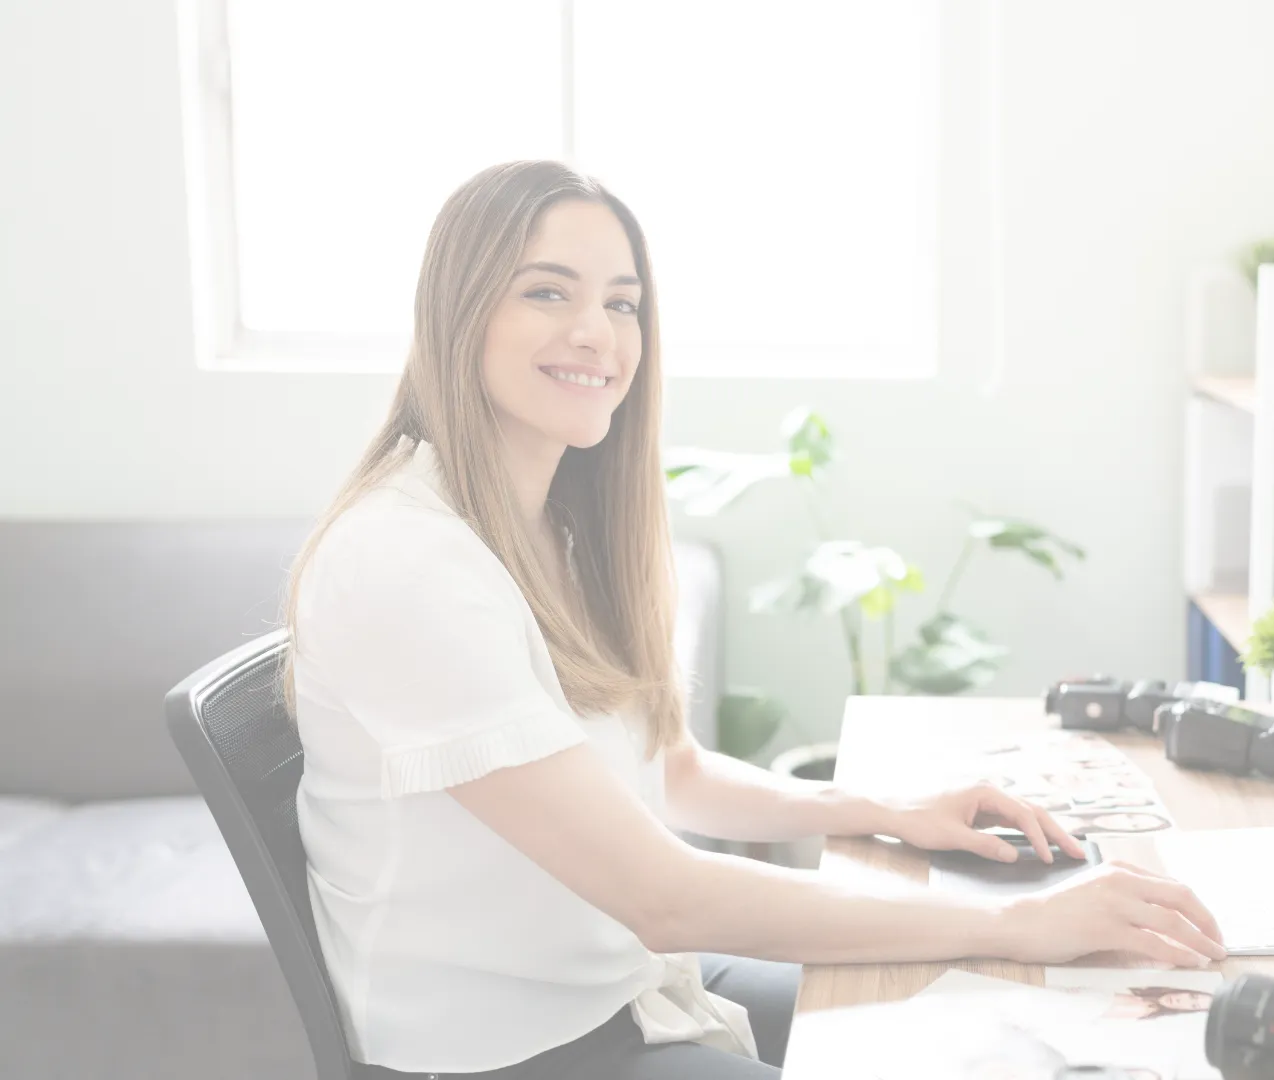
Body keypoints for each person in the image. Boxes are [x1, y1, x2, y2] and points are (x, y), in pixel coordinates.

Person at [280, 160, 1225, 1080]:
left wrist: (883, 812)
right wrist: (1016, 924)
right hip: (520, 1051)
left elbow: (672, 770)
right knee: (991, 986)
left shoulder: (553, 530)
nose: (596, 335)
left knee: (1000, 1013)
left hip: (630, 993)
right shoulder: (404, 562)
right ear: (457, 312)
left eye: (621, 303)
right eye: (545, 293)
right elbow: (665, 896)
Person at [1100, 986, 1215, 1021]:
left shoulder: (1143, 1008)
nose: (1181, 1000)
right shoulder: (1146, 994)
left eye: (1193, 1006)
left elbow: (1095, 1009)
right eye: (1192, 996)